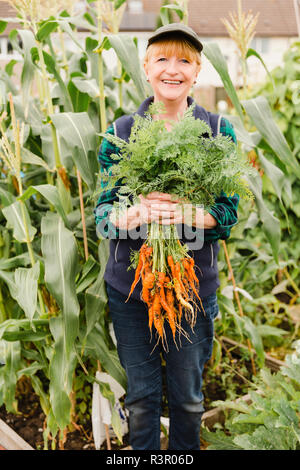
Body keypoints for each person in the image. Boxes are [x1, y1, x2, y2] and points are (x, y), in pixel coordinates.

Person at [94, 23, 239, 450]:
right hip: (132, 290)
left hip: (191, 290)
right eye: (162, 58)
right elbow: (102, 217)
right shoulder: (121, 133)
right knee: (140, 401)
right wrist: (131, 214)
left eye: (184, 61)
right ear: (146, 68)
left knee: (189, 403)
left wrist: (198, 214)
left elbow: (229, 212)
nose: (172, 69)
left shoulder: (217, 131)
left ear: (197, 72)